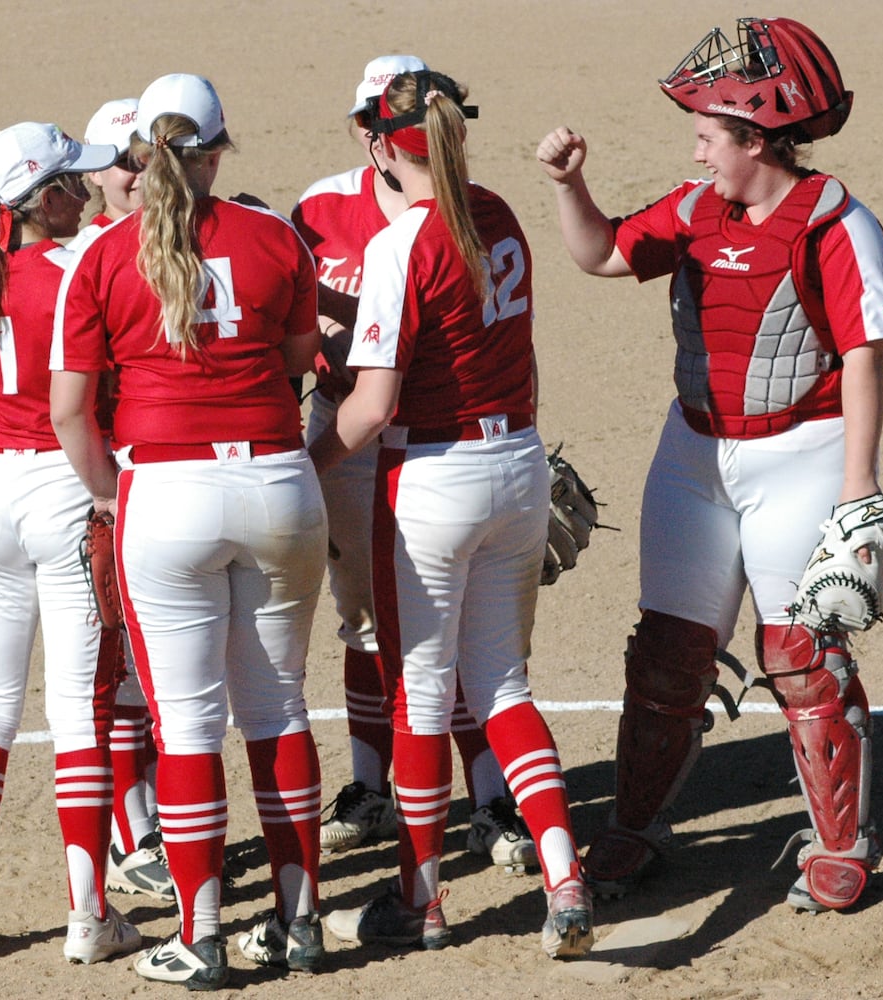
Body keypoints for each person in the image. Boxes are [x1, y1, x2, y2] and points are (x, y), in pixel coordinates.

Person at [536, 16, 883, 913]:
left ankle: (842, 841)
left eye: (709, 136)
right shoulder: (695, 212)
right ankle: (636, 823)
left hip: (800, 455)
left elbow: (864, 359)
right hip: (693, 453)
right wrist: (570, 185)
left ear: (757, 137)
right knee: (668, 650)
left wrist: (858, 487)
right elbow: (599, 253)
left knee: (802, 652)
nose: (697, 154)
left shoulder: (838, 225)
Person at [50, 73, 328, 988]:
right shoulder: (275, 238)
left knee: (187, 727)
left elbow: (69, 410)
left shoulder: (103, 255)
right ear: (217, 152)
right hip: (278, 481)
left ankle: (203, 932)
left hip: (165, 491)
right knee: (280, 707)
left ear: (138, 159)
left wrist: (106, 492)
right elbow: (296, 362)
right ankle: (301, 917)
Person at [310, 69, 594, 959]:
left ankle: (419, 903)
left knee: (421, 696)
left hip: (432, 479)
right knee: (504, 685)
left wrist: (301, 470)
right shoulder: (500, 214)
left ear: (383, 144)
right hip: (518, 464)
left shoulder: (402, 245)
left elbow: (370, 408)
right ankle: (566, 881)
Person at [293, 54, 537, 870]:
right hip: (356, 435)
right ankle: (371, 790)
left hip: (418, 443)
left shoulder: (456, 216)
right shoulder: (319, 210)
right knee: (367, 626)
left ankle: (487, 801)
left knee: (444, 643)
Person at [0, 121, 141, 964]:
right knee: (80, 706)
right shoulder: (84, 267)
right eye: (72, 182)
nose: (86, 191)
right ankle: (90, 915)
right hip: (68, 487)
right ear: (39, 197)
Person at [69, 97, 174, 903]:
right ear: (93, 175)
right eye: (121, 163)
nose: (136, 175)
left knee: (152, 666)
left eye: (143, 159)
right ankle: (129, 829)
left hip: (165, 476)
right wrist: (103, 491)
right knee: (113, 664)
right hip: (100, 481)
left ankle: (153, 826)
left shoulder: (184, 239)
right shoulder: (88, 256)